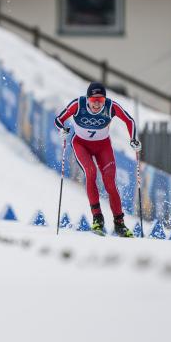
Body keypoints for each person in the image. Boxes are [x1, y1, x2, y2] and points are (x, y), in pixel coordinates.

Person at [55, 82, 140, 237]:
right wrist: (63, 130)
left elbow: (129, 120)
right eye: (94, 100)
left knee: (110, 182)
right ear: (87, 99)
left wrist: (133, 139)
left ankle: (119, 224)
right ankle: (97, 219)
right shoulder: (78, 104)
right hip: (81, 144)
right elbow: (59, 119)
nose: (96, 104)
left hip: (103, 147)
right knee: (91, 172)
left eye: (100, 100)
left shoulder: (111, 106)